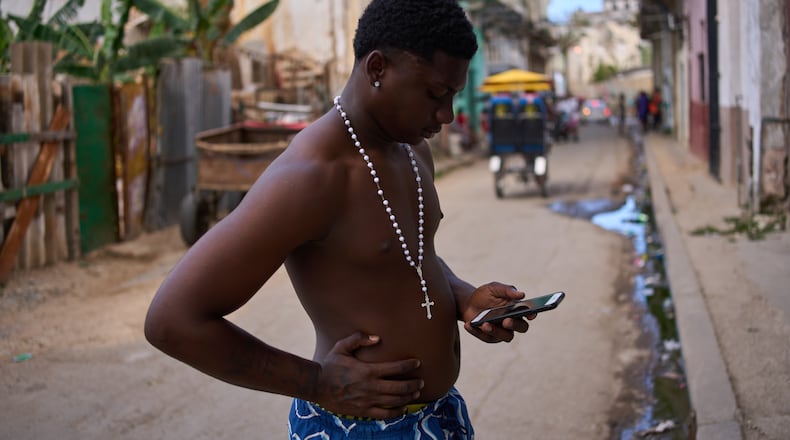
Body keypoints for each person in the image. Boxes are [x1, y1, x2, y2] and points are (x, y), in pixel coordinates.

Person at [144, 1, 534, 438]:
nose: (447, 115)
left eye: (454, 95)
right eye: (435, 93)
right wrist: (315, 383)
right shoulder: (313, 175)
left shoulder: (410, 148)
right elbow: (172, 319)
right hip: (358, 429)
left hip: (441, 415)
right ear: (378, 68)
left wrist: (465, 298)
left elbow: (405, 255)